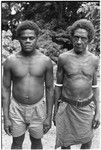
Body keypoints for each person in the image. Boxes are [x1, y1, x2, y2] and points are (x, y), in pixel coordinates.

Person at [2, 20, 54, 149]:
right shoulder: (11, 61)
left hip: (38, 108)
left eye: (31, 38)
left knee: (36, 142)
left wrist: (48, 117)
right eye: (24, 38)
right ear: (19, 39)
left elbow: (50, 89)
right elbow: (6, 89)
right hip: (16, 108)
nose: (28, 41)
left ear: (37, 38)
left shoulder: (45, 61)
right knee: (16, 142)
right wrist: (6, 117)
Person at [53, 19, 100, 149]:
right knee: (65, 143)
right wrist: (55, 111)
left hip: (86, 107)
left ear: (89, 39)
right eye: (76, 37)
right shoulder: (64, 58)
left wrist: (97, 112)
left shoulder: (94, 60)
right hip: (67, 107)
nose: (79, 41)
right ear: (72, 37)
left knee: (87, 140)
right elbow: (58, 87)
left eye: (83, 38)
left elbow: (95, 88)